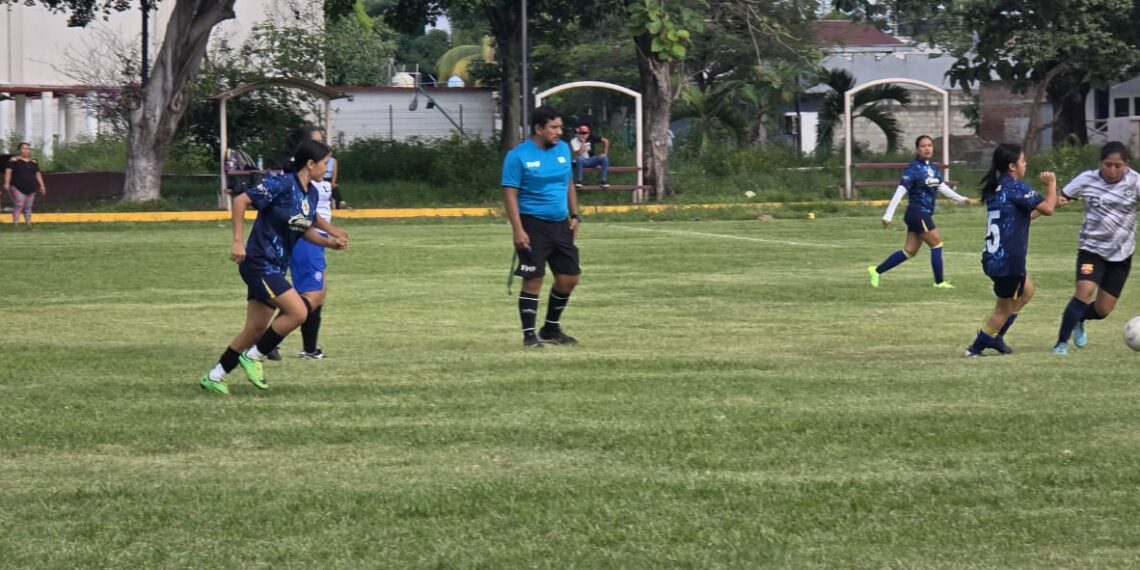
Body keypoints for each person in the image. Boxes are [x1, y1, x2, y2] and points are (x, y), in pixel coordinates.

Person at [199, 138, 349, 395]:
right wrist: (237, 241)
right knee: (298, 312)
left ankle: (215, 376)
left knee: (255, 329)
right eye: (325, 163)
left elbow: (303, 227)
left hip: (275, 267)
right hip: (259, 263)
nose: (327, 168)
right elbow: (241, 201)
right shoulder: (281, 184)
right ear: (310, 163)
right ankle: (254, 357)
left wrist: (330, 242)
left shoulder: (311, 193)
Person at [963, 143, 1057, 357]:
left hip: (993, 258)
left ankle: (996, 338)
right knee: (1002, 309)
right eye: (1023, 161)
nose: (1026, 164)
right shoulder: (1017, 187)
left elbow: (1021, 218)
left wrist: (1046, 205)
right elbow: (1049, 208)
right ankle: (975, 349)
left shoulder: (997, 189)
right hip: (1009, 262)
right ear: (1012, 166)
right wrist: (1051, 185)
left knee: (1027, 290)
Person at [502, 105, 581, 348]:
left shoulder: (564, 149)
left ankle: (550, 329)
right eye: (553, 127)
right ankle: (529, 336)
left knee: (569, 278)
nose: (559, 132)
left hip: (560, 224)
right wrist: (518, 230)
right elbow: (510, 194)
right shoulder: (518, 156)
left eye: (560, 127)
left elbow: (568, 183)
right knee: (533, 279)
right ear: (538, 128)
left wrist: (575, 215)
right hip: (532, 224)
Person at [1051, 141, 1140, 355]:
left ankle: (1080, 317)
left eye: (1118, 166)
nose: (1112, 170)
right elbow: (1061, 197)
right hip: (1091, 249)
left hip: (1121, 253)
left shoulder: (1135, 182)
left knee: (1103, 310)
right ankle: (1061, 344)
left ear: (1126, 165)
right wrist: (1053, 200)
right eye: (1108, 165)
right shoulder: (1087, 179)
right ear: (1100, 163)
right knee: (1084, 291)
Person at [868, 135, 970, 288]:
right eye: (923, 146)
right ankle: (939, 282)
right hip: (917, 213)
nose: (927, 148)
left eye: (929, 145)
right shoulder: (913, 169)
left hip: (922, 214)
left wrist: (961, 199)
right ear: (917, 150)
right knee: (936, 243)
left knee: (909, 251)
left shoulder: (933, 168)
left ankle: (876, 271)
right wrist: (888, 214)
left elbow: (941, 187)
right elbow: (900, 192)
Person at [286, 126, 337, 359]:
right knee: (311, 295)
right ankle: (268, 341)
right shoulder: (298, 179)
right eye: (317, 142)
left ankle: (309, 348)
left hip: (318, 235)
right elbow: (305, 214)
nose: (323, 147)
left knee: (318, 292)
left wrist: (330, 231)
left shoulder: (315, 176)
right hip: (307, 237)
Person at [3, 142, 47, 228]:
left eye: (27, 149)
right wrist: (6, 183)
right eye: (23, 148)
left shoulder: (33, 161)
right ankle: (15, 224)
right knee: (19, 204)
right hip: (17, 186)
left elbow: (37, 173)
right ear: (19, 150)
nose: (26, 150)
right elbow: (8, 172)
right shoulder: (13, 160)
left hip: (31, 187)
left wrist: (42, 185)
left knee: (28, 206)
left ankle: (29, 224)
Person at [570, 124, 609, 190]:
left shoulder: (591, 137)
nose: (583, 135)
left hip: (592, 159)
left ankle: (603, 181)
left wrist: (605, 153)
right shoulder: (573, 141)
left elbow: (606, 141)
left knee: (604, 158)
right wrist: (583, 142)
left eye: (585, 133)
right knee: (579, 159)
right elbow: (579, 154)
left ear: (588, 133)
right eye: (581, 133)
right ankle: (579, 181)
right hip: (581, 161)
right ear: (578, 133)